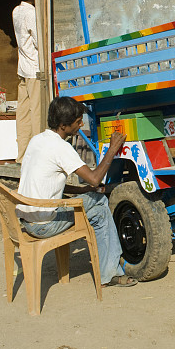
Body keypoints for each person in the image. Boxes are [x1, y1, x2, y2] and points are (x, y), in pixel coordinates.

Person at [17, 96, 137, 287]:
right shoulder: (61, 147)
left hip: (27, 218)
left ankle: (110, 270)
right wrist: (113, 149)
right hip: (43, 224)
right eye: (77, 122)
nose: (81, 125)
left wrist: (83, 189)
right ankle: (110, 269)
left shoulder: (37, 140)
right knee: (99, 200)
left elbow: (50, 183)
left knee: (98, 214)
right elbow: (95, 178)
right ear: (64, 125)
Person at [12, 0, 41, 163]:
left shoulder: (16, 11)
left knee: (22, 113)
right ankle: (37, 156)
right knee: (36, 112)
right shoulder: (31, 13)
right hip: (34, 68)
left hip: (22, 67)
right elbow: (39, 41)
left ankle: (22, 156)